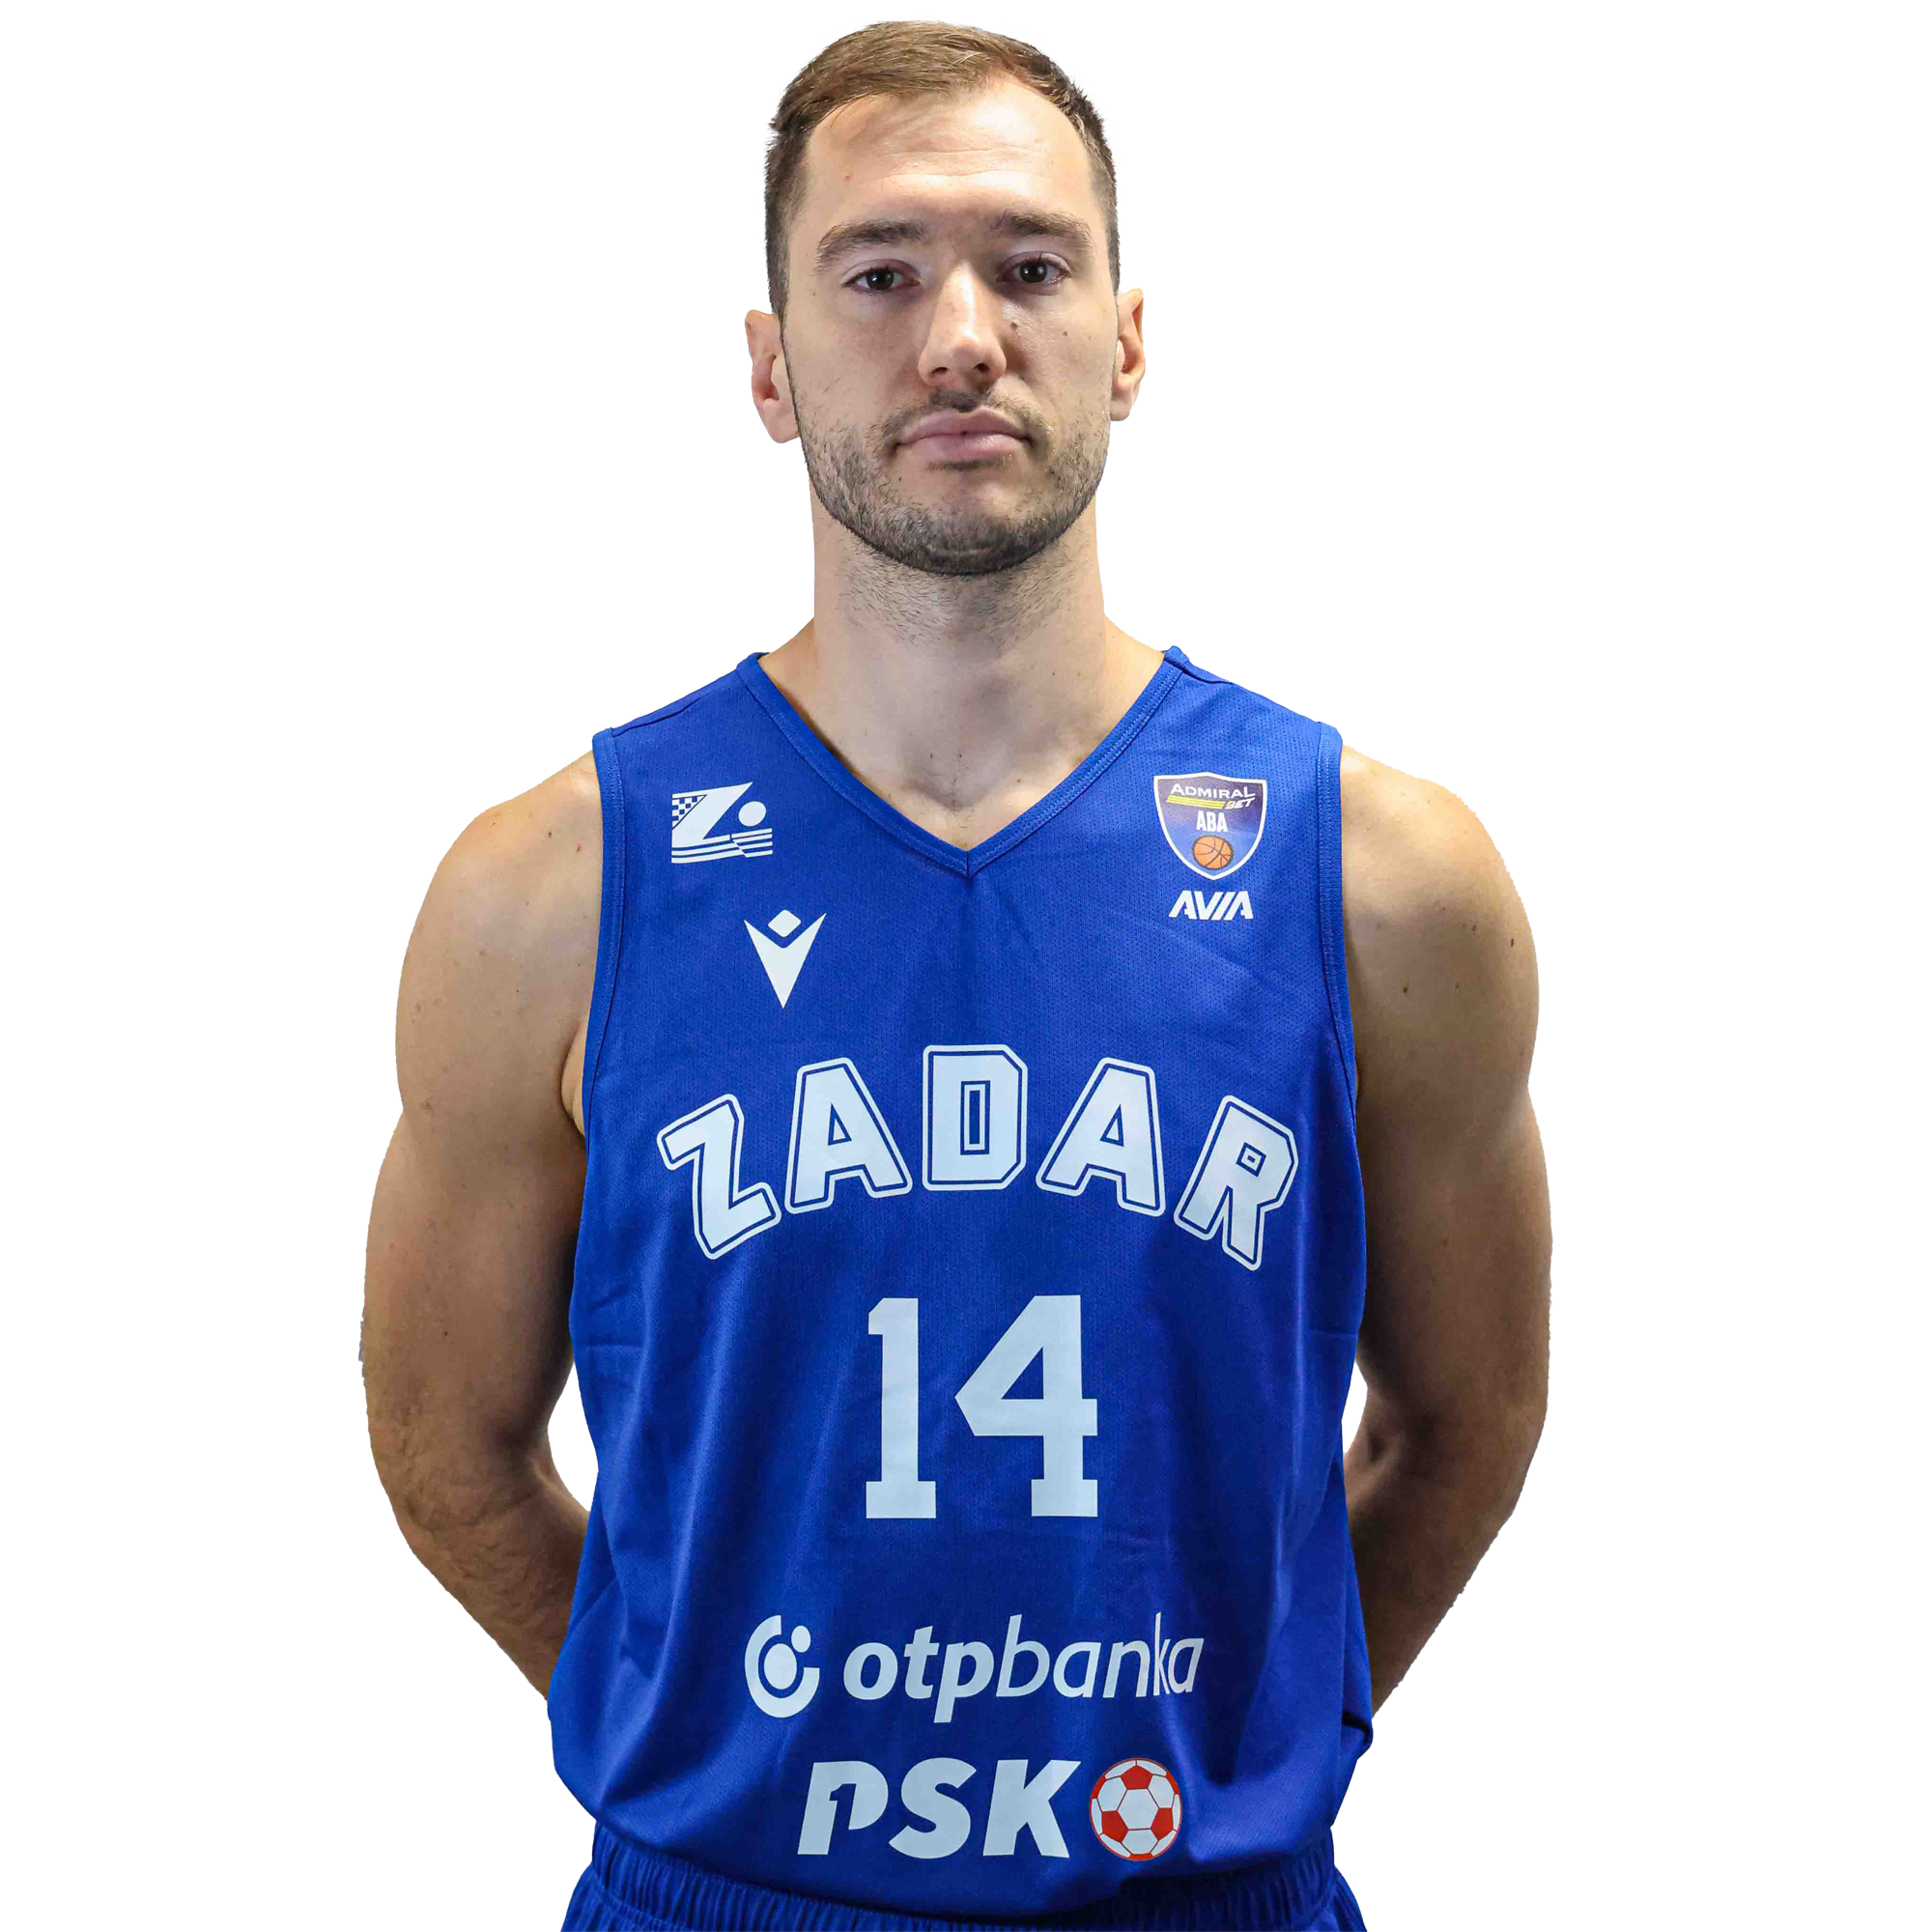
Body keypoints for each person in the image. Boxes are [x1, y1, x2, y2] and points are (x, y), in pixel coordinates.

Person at [364, 19, 1549, 1932]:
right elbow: (445, 1439)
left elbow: (1467, 1416)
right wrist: (694, 1744)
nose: (961, 336)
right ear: (772, 365)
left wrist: (1255, 1755)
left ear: (1126, 341)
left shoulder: (1379, 878)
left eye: (1029, 264)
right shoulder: (550, 892)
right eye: (880, 274)